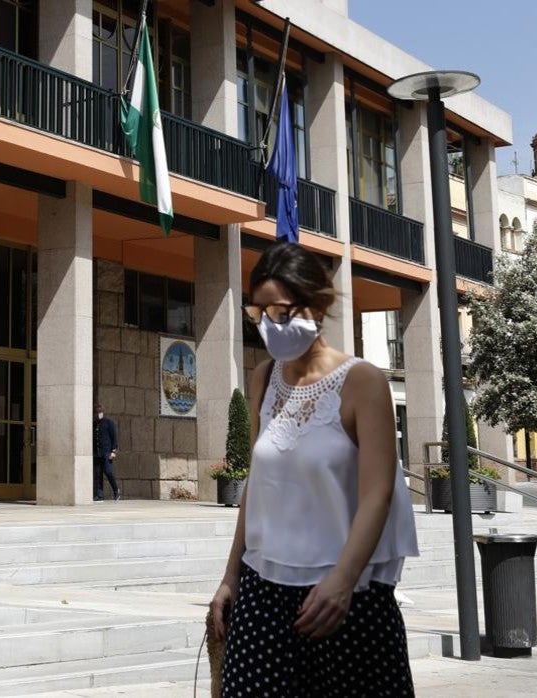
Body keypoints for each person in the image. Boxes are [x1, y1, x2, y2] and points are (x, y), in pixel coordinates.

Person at [209, 243, 419, 696]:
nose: (269, 324)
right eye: (258, 312)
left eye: (280, 311)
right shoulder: (263, 377)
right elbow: (257, 488)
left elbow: (378, 493)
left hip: (346, 598)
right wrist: (230, 578)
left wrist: (342, 582)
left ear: (318, 305)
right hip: (263, 595)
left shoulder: (363, 381)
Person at [94, 404, 120, 501]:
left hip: (106, 452)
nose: (98, 414)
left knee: (108, 472)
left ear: (103, 412)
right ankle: (100, 495)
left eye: (99, 412)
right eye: (96, 412)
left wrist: (113, 451)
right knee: (98, 474)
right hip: (97, 453)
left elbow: (114, 438)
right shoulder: (94, 424)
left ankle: (116, 490)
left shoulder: (109, 422)